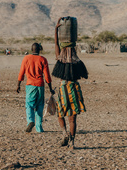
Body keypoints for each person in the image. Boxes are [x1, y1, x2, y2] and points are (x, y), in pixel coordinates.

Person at [52, 17, 88, 149]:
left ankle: (64, 133)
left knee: (60, 113)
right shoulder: (77, 61)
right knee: (73, 118)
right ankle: (72, 142)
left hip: (63, 88)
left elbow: (56, 44)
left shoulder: (59, 57)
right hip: (74, 88)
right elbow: (83, 76)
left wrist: (56, 30)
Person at [17, 42, 54, 133]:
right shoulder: (43, 59)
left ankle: (30, 121)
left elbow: (21, 72)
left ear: (31, 49)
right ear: (40, 49)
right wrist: (50, 88)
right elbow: (47, 76)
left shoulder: (26, 58)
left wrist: (18, 85)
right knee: (39, 106)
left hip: (30, 85)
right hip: (40, 85)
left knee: (29, 105)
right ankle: (39, 128)